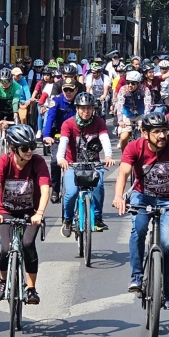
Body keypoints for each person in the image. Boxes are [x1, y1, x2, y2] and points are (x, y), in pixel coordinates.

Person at [112, 112, 169, 311]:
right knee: (139, 229)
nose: (162, 136)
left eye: (165, 131)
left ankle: (168, 290)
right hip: (141, 196)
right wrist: (118, 197)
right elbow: (124, 172)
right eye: (157, 132)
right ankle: (136, 276)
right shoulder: (134, 147)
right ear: (145, 133)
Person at [0, 124, 50, 305]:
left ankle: (31, 288)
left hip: (30, 212)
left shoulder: (38, 162)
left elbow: (45, 189)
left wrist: (39, 213)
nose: (30, 151)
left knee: (28, 243)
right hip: (6, 211)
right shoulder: (4, 161)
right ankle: (2, 280)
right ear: (13, 149)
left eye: (32, 146)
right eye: (25, 148)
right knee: (6, 250)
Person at [58, 92, 115, 237]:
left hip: (93, 164)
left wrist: (108, 155)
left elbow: (104, 139)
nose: (86, 111)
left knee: (99, 186)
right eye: (83, 108)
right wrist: (61, 158)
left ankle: (97, 217)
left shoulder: (98, 122)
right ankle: (68, 220)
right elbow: (63, 142)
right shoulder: (68, 123)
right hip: (73, 164)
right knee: (71, 193)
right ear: (77, 108)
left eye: (89, 108)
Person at [43, 79, 79, 203]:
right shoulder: (56, 101)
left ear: (76, 90)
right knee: (54, 162)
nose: (68, 92)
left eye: (71, 90)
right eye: (65, 90)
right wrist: (47, 135)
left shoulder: (80, 100)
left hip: (77, 136)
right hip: (58, 135)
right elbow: (50, 117)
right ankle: (56, 190)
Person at [115, 71, 152, 152]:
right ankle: (125, 156)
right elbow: (119, 106)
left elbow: (148, 106)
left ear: (138, 83)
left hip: (141, 114)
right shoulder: (123, 89)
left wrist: (145, 120)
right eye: (128, 83)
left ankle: (144, 154)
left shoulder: (145, 90)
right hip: (127, 114)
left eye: (133, 83)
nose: (130, 85)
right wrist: (120, 120)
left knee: (144, 136)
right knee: (123, 137)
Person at [0, 67, 22, 152]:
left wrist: (15, 113)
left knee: (13, 126)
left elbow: (15, 100)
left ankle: (12, 144)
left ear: (10, 80)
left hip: (11, 109)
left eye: (6, 81)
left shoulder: (17, 86)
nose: (4, 84)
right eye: (2, 81)